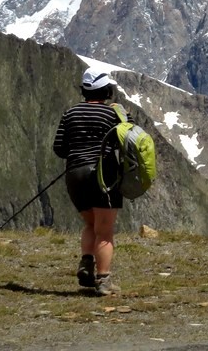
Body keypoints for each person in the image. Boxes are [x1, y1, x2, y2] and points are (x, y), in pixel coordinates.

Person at [52, 66, 123, 296]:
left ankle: (86, 263)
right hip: (104, 176)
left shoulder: (69, 113)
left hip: (75, 175)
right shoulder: (112, 114)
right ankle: (103, 280)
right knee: (104, 230)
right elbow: (128, 140)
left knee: (91, 224)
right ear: (107, 91)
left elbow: (60, 148)